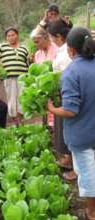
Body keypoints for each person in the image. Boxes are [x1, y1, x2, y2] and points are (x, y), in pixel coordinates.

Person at [47, 27, 95, 220]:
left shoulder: (71, 73)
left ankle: (92, 211)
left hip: (82, 135)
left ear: (71, 50)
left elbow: (70, 110)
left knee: (87, 175)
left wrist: (51, 109)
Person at [48, 19, 77, 180]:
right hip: (65, 94)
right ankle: (69, 160)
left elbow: (68, 78)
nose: (50, 39)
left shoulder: (66, 53)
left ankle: (75, 167)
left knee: (71, 129)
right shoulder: (63, 50)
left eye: (51, 36)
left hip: (68, 95)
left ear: (58, 36)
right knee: (66, 129)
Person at [0, 27, 29, 124]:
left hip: (22, 77)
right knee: (12, 99)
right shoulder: (3, 47)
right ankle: (16, 121)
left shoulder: (24, 48)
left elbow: (28, 62)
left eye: (13, 35)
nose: (11, 37)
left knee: (22, 99)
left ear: (17, 35)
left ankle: (21, 120)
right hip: (9, 78)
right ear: (6, 38)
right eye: (8, 36)